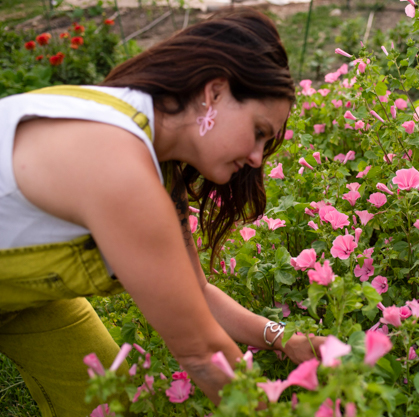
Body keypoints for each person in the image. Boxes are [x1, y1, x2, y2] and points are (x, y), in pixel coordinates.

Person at [0, 9, 323, 416]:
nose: (258, 158)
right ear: (215, 93)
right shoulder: (118, 162)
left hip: (25, 296)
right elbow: (201, 353)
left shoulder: (149, 153)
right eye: (258, 131)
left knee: (111, 403)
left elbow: (197, 294)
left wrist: (284, 338)